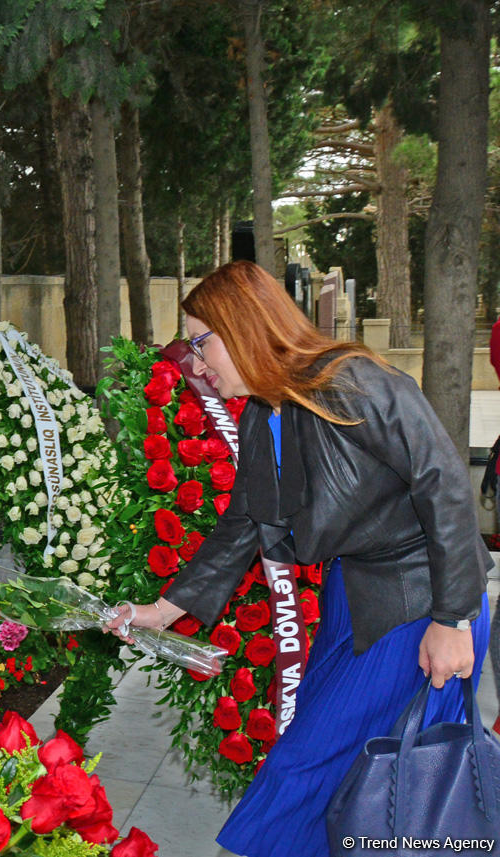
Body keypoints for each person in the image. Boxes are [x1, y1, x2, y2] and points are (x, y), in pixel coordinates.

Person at [105, 261, 492, 857]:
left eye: (201, 344)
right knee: (337, 774)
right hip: (355, 599)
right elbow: (246, 522)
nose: (197, 365)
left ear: (243, 327)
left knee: (309, 765)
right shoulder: (266, 410)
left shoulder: (351, 380)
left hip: (420, 603)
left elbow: (443, 486)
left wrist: (453, 619)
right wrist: (162, 610)